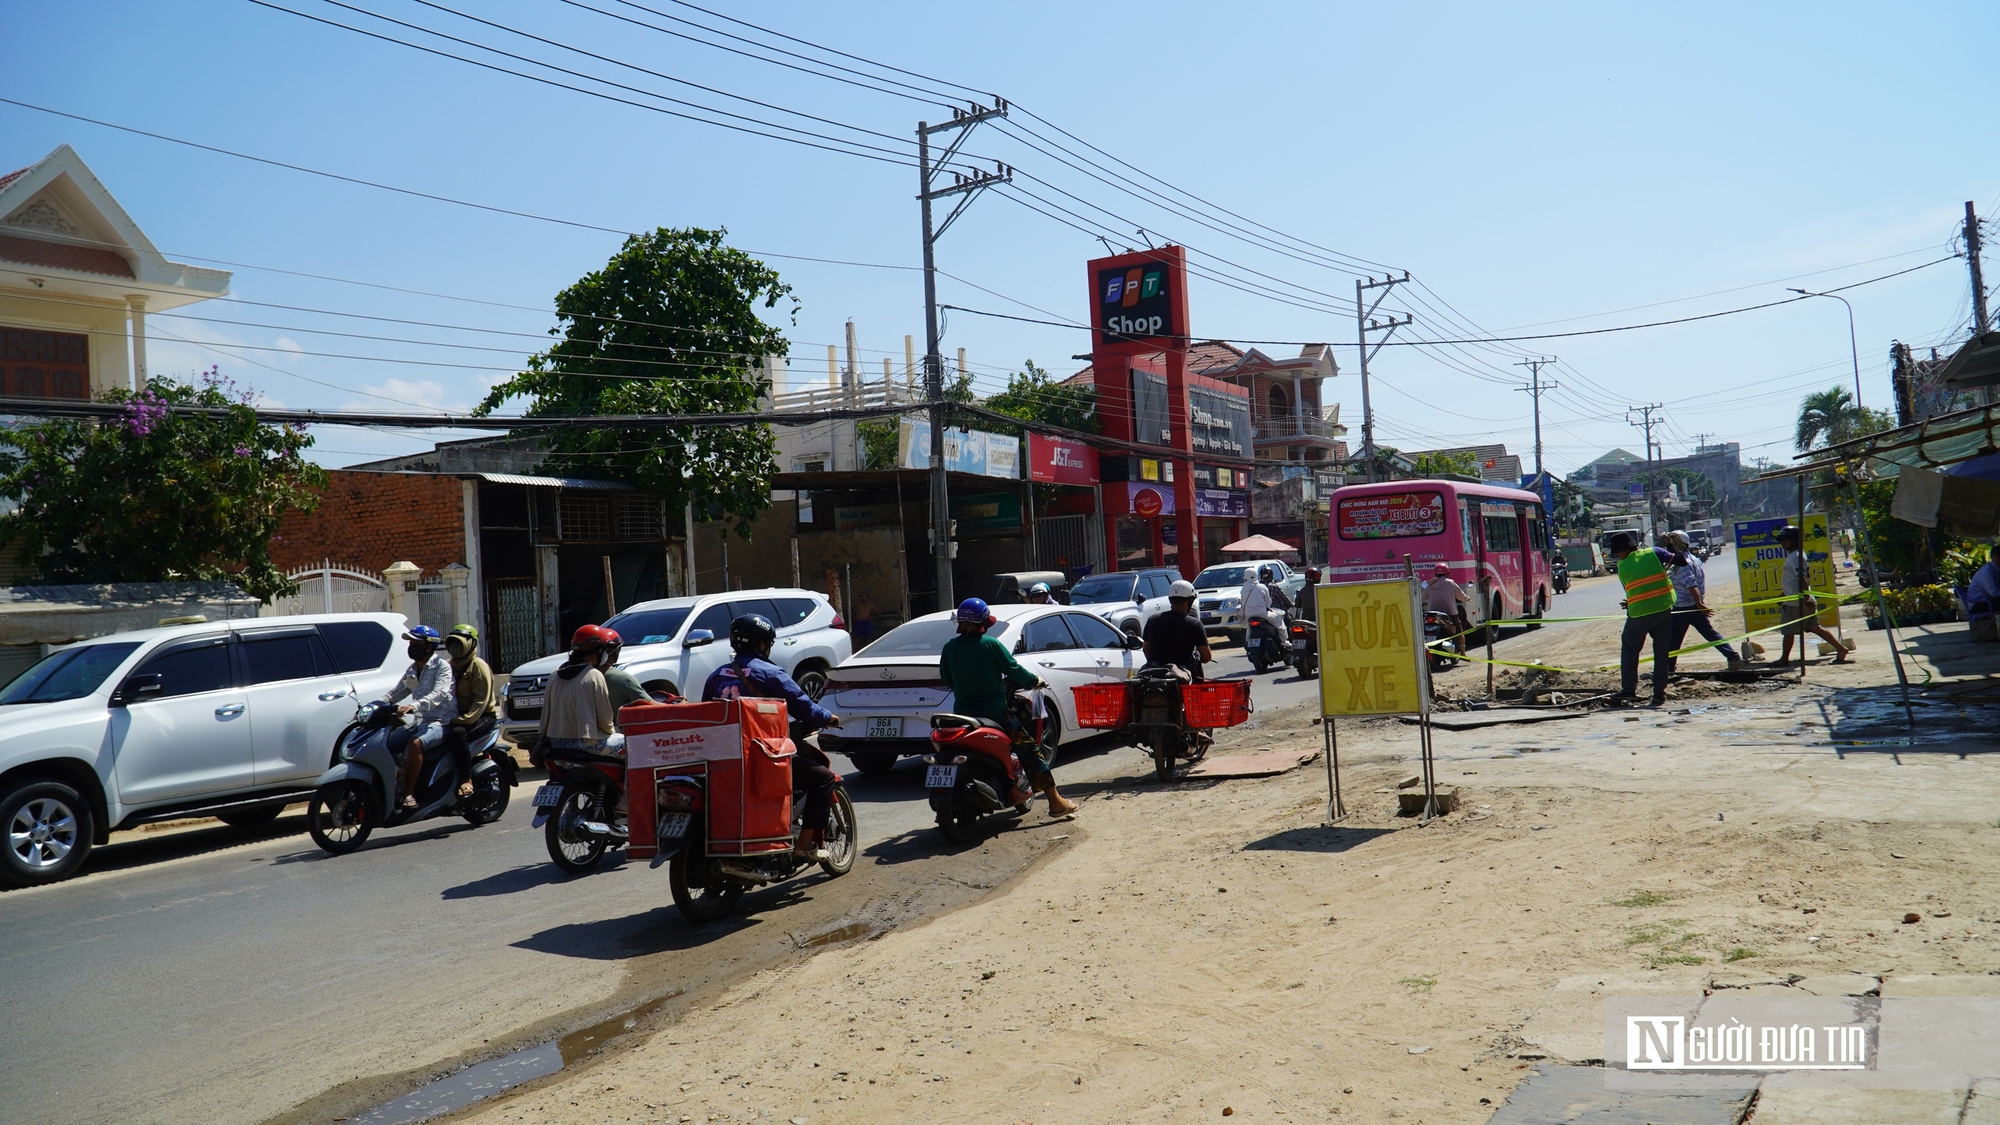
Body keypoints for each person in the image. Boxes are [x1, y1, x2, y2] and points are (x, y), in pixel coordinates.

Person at [703, 614, 843, 863]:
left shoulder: (715, 675)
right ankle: (803, 845)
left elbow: (705, 713)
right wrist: (827, 717)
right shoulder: (769, 672)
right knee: (823, 778)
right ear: (761, 644)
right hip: (762, 757)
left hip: (722, 757)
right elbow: (803, 707)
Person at [938, 598, 1078, 817]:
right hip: (995, 714)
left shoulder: (949, 647)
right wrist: (1035, 681)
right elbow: (1014, 671)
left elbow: (947, 678)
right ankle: (1055, 801)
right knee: (1030, 750)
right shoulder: (990, 645)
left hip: (963, 716)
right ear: (982, 623)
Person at [381, 626, 455, 810]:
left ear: (429, 647)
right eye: (410, 643)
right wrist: (377, 704)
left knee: (415, 743)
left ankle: (409, 793)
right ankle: (398, 774)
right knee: (385, 743)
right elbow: (398, 691)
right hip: (419, 721)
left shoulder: (442, 667)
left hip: (440, 721)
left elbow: (439, 694)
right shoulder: (413, 668)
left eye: (416, 643)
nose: (411, 646)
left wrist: (412, 706)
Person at [1608, 531, 1683, 706]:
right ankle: (1659, 695)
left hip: (1639, 615)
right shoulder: (1655, 552)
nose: (1618, 556)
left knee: (1629, 650)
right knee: (1661, 654)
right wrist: (1671, 544)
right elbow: (1681, 561)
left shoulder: (1623, 567)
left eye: (1618, 552)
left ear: (1625, 549)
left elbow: (1631, 589)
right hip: (1662, 610)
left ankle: (1628, 690)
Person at [1656, 532, 1744, 674]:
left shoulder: (1681, 564)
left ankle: (1668, 669)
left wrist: (1699, 603)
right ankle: (1733, 657)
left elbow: (1692, 584)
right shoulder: (1694, 559)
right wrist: (1699, 603)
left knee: (1673, 641)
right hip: (1694, 606)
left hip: (1683, 608)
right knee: (1711, 635)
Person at [536, 625, 619, 763]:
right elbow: (605, 720)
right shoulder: (593, 675)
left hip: (555, 744)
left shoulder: (554, 675)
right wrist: (612, 732)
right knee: (632, 746)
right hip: (587, 745)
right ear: (596, 652)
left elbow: (545, 719)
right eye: (604, 650)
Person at [1774, 526, 1855, 665]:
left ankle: (1784, 659)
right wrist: (1783, 595)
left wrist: (1805, 598)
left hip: (1797, 602)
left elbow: (1802, 578)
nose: (1782, 543)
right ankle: (1841, 649)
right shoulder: (1796, 555)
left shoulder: (1797, 556)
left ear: (1794, 540)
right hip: (1797, 598)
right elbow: (1792, 580)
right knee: (1814, 627)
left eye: (1785, 540)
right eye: (1781, 540)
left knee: (1788, 632)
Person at [442, 624, 496, 799]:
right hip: (455, 716)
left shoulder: (478, 666)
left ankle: (466, 779)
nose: (455, 648)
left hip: (481, 716)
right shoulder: (448, 666)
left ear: (471, 644)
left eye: (459, 644)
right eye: (452, 645)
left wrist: (463, 719)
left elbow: (481, 700)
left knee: (457, 734)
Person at [1142, 579, 1213, 682]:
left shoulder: (1152, 620)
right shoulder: (1194, 624)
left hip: (1154, 674)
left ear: (1170, 599)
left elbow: (1146, 649)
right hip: (1182, 676)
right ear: (1190, 600)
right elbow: (1206, 657)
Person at [597, 628, 652, 710]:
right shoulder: (624, 679)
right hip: (618, 722)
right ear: (615, 651)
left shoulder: (582, 677)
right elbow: (651, 705)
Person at [1423, 562, 1473, 644]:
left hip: (1432, 614)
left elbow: (1423, 598)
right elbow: (1460, 595)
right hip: (1450, 613)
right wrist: (1467, 598)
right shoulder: (1450, 583)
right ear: (1447, 573)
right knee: (1459, 631)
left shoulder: (1429, 584)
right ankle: (1463, 652)